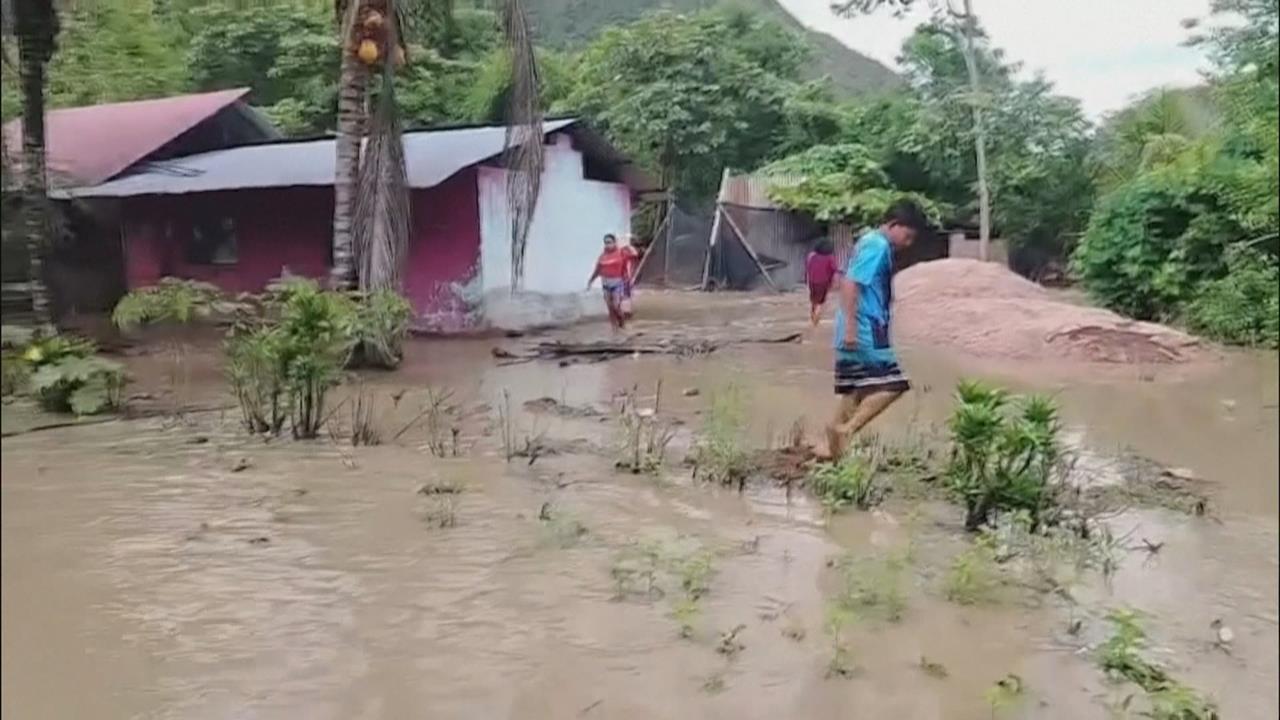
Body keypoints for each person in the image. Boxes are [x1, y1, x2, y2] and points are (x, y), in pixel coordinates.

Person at [824, 200, 928, 460]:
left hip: (858, 324)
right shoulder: (878, 245)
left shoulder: (869, 241)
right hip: (864, 326)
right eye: (907, 235)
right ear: (893, 225)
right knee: (894, 384)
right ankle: (847, 430)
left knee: (857, 387)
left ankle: (831, 444)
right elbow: (851, 284)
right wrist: (851, 328)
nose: (908, 243)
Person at [586, 233, 638, 330]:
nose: (607, 245)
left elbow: (635, 255)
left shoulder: (622, 253)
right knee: (610, 308)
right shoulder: (602, 256)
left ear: (614, 243)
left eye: (609, 242)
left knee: (616, 306)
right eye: (605, 243)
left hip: (617, 283)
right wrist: (591, 281)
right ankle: (614, 327)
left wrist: (627, 244)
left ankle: (622, 324)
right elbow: (597, 270)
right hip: (605, 284)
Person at [805, 238, 840, 326]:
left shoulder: (812, 256)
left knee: (814, 300)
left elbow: (808, 268)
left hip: (812, 282)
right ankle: (816, 321)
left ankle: (813, 317)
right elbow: (835, 270)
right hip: (823, 282)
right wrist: (835, 283)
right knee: (821, 302)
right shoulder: (830, 258)